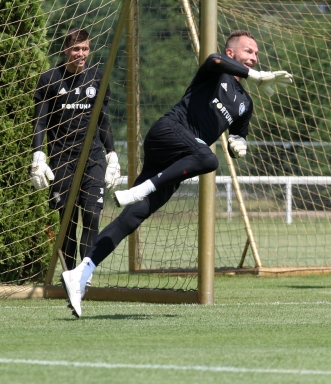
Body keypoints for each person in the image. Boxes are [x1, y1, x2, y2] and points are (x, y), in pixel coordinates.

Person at [60, 29, 293, 317]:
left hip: (181, 158)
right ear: (232, 53)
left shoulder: (246, 103)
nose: (254, 58)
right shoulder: (215, 70)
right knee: (208, 159)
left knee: (134, 215)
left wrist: (239, 144)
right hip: (168, 133)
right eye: (249, 52)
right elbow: (214, 59)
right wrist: (255, 76)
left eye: (257, 54)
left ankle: (81, 272)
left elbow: (238, 136)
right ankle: (141, 189)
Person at [30, 28, 121, 278]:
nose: (81, 54)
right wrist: (38, 154)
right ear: (65, 50)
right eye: (76, 49)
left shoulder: (97, 78)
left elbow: (103, 120)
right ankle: (70, 275)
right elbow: (40, 121)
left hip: (93, 157)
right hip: (62, 158)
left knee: (92, 214)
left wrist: (112, 153)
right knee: (68, 220)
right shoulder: (49, 79)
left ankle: (84, 275)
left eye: (85, 49)